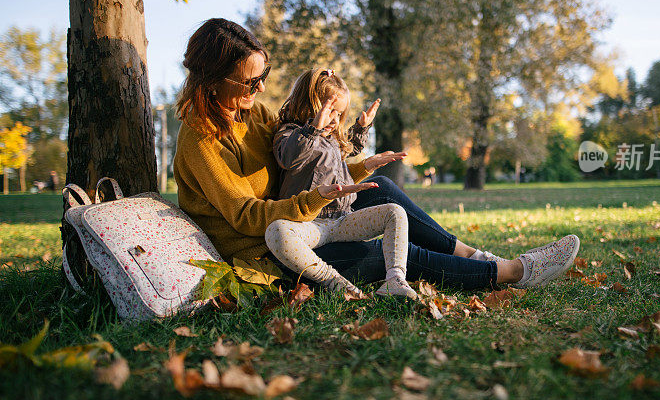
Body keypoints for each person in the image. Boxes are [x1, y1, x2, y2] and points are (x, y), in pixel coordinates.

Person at [172, 18, 580, 295]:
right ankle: (511, 272)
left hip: (305, 215)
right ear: (213, 78)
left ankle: (476, 256)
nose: (261, 88)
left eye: (265, 75)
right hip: (269, 250)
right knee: (383, 255)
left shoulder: (252, 112)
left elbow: (304, 169)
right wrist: (320, 199)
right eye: (251, 80)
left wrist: (356, 169)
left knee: (381, 187)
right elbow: (246, 216)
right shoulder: (200, 140)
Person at [268, 67, 416, 299]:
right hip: (312, 224)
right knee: (276, 231)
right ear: (308, 105)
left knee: (395, 212)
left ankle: (395, 279)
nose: (334, 119)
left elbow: (349, 148)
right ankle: (334, 281)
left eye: (339, 113)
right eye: (329, 111)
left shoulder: (332, 139)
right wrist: (313, 128)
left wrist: (361, 128)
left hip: (342, 219)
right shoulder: (290, 133)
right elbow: (289, 157)